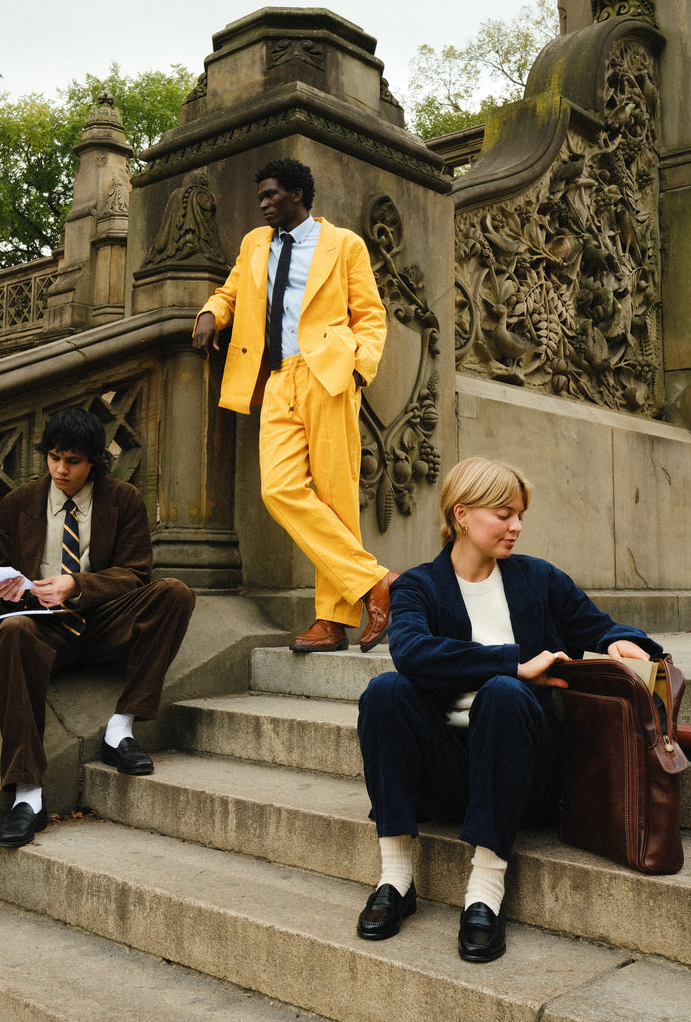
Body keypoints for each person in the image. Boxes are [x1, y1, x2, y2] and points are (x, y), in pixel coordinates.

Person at [355, 456, 662, 962]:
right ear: (461, 514)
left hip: (524, 771)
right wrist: (514, 662)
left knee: (502, 693)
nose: (516, 526)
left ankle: (485, 889)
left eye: (519, 514)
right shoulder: (418, 586)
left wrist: (624, 643)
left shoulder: (537, 580)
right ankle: (395, 877)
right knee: (385, 692)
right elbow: (409, 651)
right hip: (447, 770)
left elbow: (599, 625)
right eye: (502, 513)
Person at [192, 157, 397, 653]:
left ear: (298, 195)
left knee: (335, 496)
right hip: (277, 377)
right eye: (261, 196)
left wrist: (357, 367)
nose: (262, 204)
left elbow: (371, 316)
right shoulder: (254, 244)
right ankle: (373, 580)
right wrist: (210, 313)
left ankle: (331, 621)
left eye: (270, 195)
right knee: (279, 488)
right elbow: (232, 290)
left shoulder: (344, 244)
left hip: (327, 373)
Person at [0, 407, 196, 848]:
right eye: (54, 457)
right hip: (40, 628)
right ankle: (28, 795)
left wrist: (76, 584)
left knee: (174, 593)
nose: (61, 469)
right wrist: (1, 590)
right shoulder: (17, 504)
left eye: (73, 461)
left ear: (94, 461)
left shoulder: (123, 499)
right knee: (13, 630)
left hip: (100, 620)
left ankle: (121, 728)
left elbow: (137, 574)